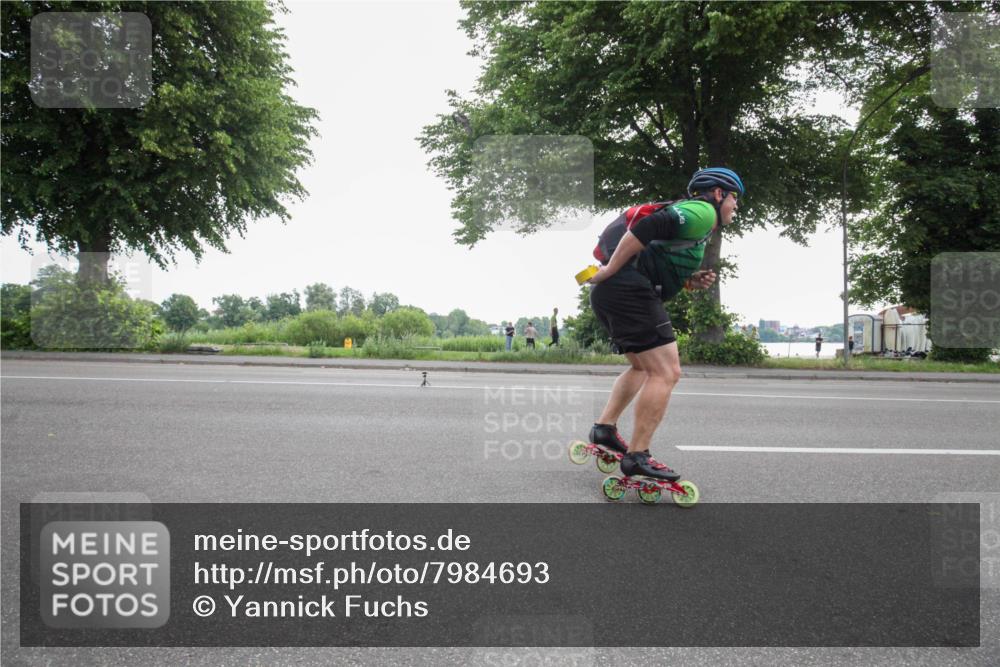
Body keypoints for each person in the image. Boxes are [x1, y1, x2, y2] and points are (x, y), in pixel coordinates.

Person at [586, 167, 743, 482]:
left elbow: (655, 255)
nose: (736, 207)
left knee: (643, 367)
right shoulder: (702, 212)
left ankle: (604, 430)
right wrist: (610, 269)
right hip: (625, 288)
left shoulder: (693, 217)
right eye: (734, 198)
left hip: (614, 291)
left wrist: (688, 280)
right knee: (667, 371)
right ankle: (638, 456)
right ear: (717, 194)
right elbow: (647, 226)